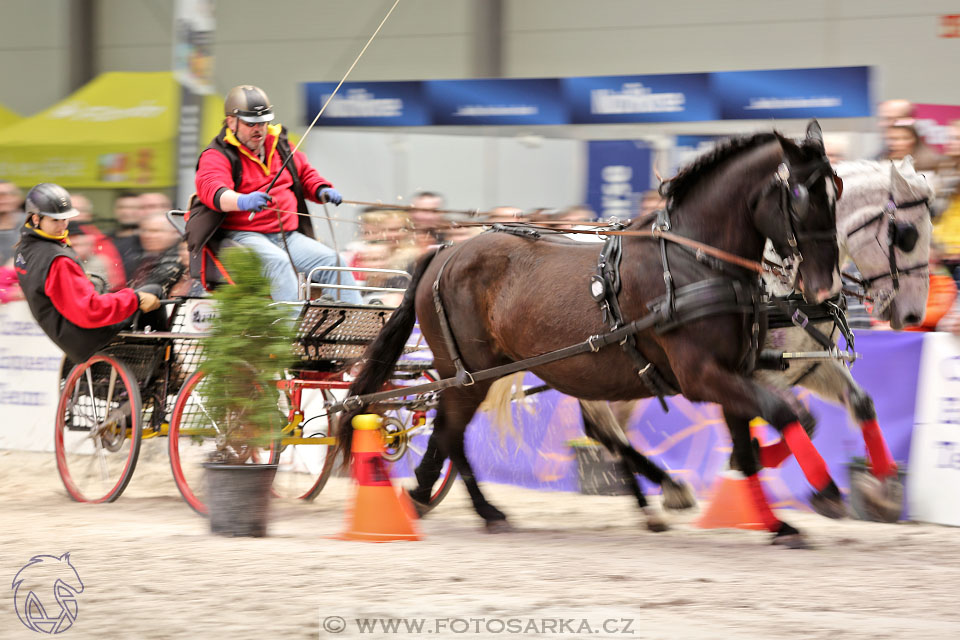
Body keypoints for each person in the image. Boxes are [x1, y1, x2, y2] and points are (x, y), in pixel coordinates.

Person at [193, 85, 360, 303]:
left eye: (263, 122)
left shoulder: (280, 145)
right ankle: (291, 329)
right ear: (231, 121)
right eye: (251, 123)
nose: (259, 129)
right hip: (242, 237)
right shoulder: (216, 155)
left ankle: (354, 321)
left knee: (334, 261)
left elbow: (304, 174)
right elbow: (212, 191)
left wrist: (321, 189)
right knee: (278, 262)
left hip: (286, 236)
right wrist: (242, 201)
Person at [14, 183, 160, 365]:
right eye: (55, 220)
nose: (62, 225)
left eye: (65, 219)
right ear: (36, 218)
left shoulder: (25, 249)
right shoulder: (57, 259)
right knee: (154, 291)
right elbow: (90, 310)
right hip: (85, 335)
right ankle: (159, 368)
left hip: (63, 332)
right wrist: (135, 299)